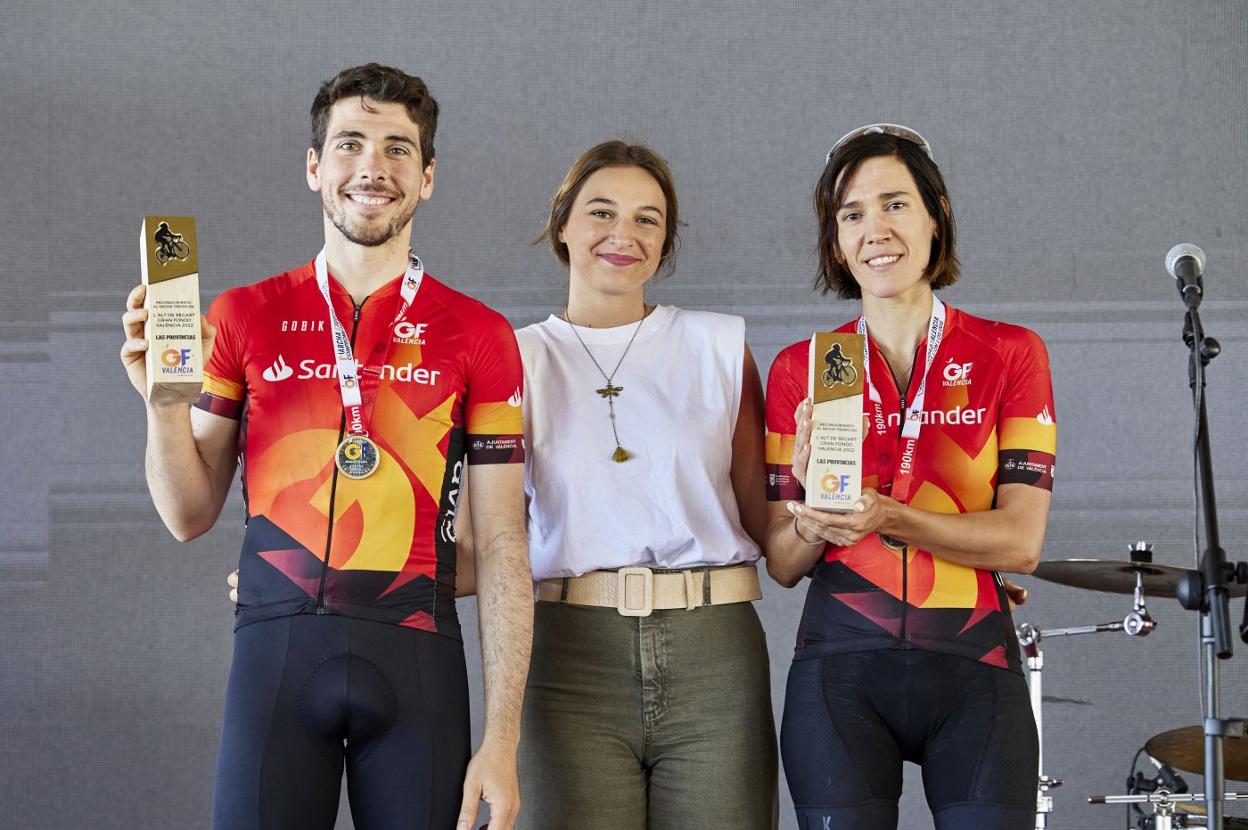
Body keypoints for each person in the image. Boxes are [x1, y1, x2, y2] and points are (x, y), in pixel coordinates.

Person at [120, 63, 532, 830]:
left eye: (397, 149)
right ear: (315, 167)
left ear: (428, 176)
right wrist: (163, 406)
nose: (372, 167)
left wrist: (502, 740)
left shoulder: (479, 334)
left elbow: (504, 541)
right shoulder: (245, 314)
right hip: (276, 661)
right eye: (349, 144)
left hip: (418, 661)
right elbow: (187, 514)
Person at [764, 124, 1053, 829]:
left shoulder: (1008, 353)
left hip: (974, 664)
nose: (875, 230)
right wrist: (806, 512)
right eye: (852, 214)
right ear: (836, 240)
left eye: (895, 204)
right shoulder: (809, 366)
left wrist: (890, 517)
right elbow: (781, 561)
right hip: (840, 673)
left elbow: (1021, 542)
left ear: (936, 214)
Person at [513, 140, 778, 828]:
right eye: (602, 212)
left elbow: (771, 526)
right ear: (562, 222)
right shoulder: (516, 358)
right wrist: (313, 576)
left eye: (648, 220)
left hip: (714, 653)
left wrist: (910, 552)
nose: (623, 235)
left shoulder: (717, 347)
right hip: (568, 652)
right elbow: (483, 537)